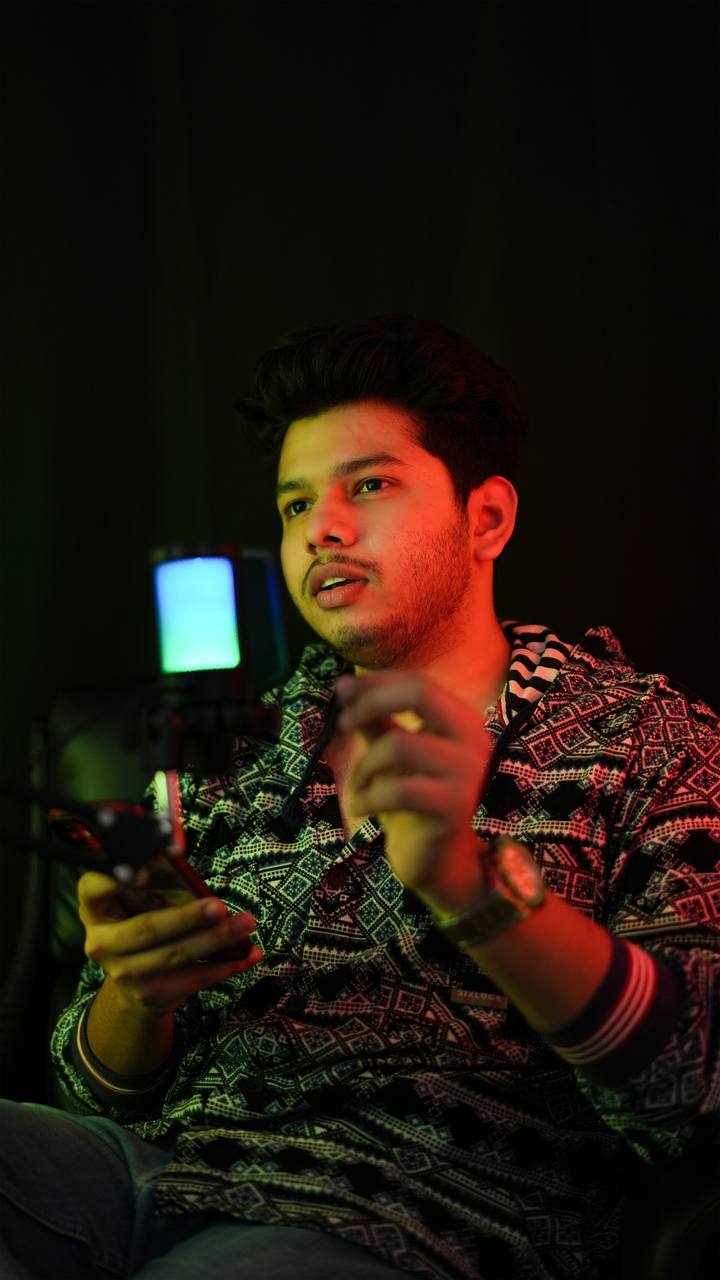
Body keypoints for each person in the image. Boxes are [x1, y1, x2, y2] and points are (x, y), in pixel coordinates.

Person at [2, 313, 719, 1279]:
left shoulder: (646, 741)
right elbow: (93, 1092)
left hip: (406, 1214)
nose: (322, 530)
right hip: (145, 1173)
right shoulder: (224, 747)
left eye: (368, 485)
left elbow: (695, 1093)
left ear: (488, 518)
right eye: (295, 505)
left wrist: (474, 890)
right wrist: (135, 993)